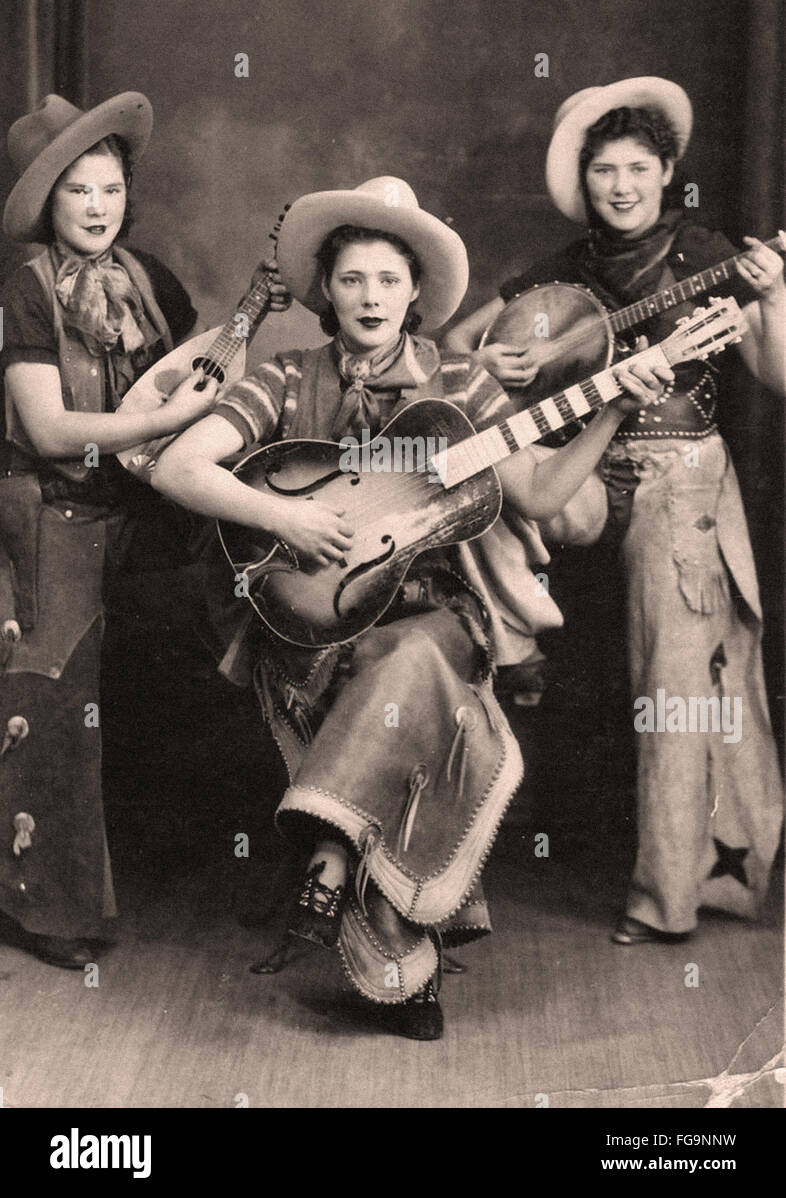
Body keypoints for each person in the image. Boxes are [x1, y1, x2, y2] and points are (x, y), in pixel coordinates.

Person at [151, 174, 668, 1038]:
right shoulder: (285, 377)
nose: (370, 298)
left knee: (415, 657)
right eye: (352, 279)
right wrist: (285, 513)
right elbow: (177, 467)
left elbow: (538, 493)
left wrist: (611, 406)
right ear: (326, 290)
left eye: (389, 280)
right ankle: (394, 956)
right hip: (317, 619)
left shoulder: (461, 384)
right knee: (402, 674)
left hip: (433, 614)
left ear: (415, 291)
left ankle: (329, 852)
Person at [444, 77, 784, 944]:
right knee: (468, 490)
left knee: (673, 687)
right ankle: (508, 640)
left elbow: (779, 377)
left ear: (669, 172)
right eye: (604, 171)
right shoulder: (569, 267)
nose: (622, 186)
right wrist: (505, 362)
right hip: (588, 468)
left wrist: (773, 297)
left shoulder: (709, 254)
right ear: (584, 180)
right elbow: (455, 346)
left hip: (682, 476)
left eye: (638, 168)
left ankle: (667, 899)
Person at [0, 91, 221, 969]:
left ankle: (270, 858)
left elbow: (201, 376)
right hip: (50, 512)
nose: (97, 208)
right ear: (49, 204)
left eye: (109, 189)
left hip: (146, 511)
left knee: (253, 606)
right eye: (77, 193)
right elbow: (50, 432)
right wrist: (146, 432)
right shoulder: (24, 290)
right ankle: (45, 909)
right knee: (52, 694)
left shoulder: (152, 280)